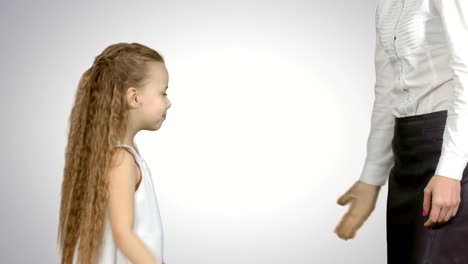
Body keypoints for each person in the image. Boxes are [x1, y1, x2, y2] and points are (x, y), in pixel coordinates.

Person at [334, 0, 468, 263]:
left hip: (451, 149)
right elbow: (386, 93)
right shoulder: (387, 4)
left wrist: (450, 171)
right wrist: (371, 179)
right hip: (406, 155)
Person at [57, 42, 171, 264]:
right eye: (163, 93)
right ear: (134, 97)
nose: (168, 103)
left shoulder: (124, 157)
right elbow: (124, 236)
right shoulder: (121, 161)